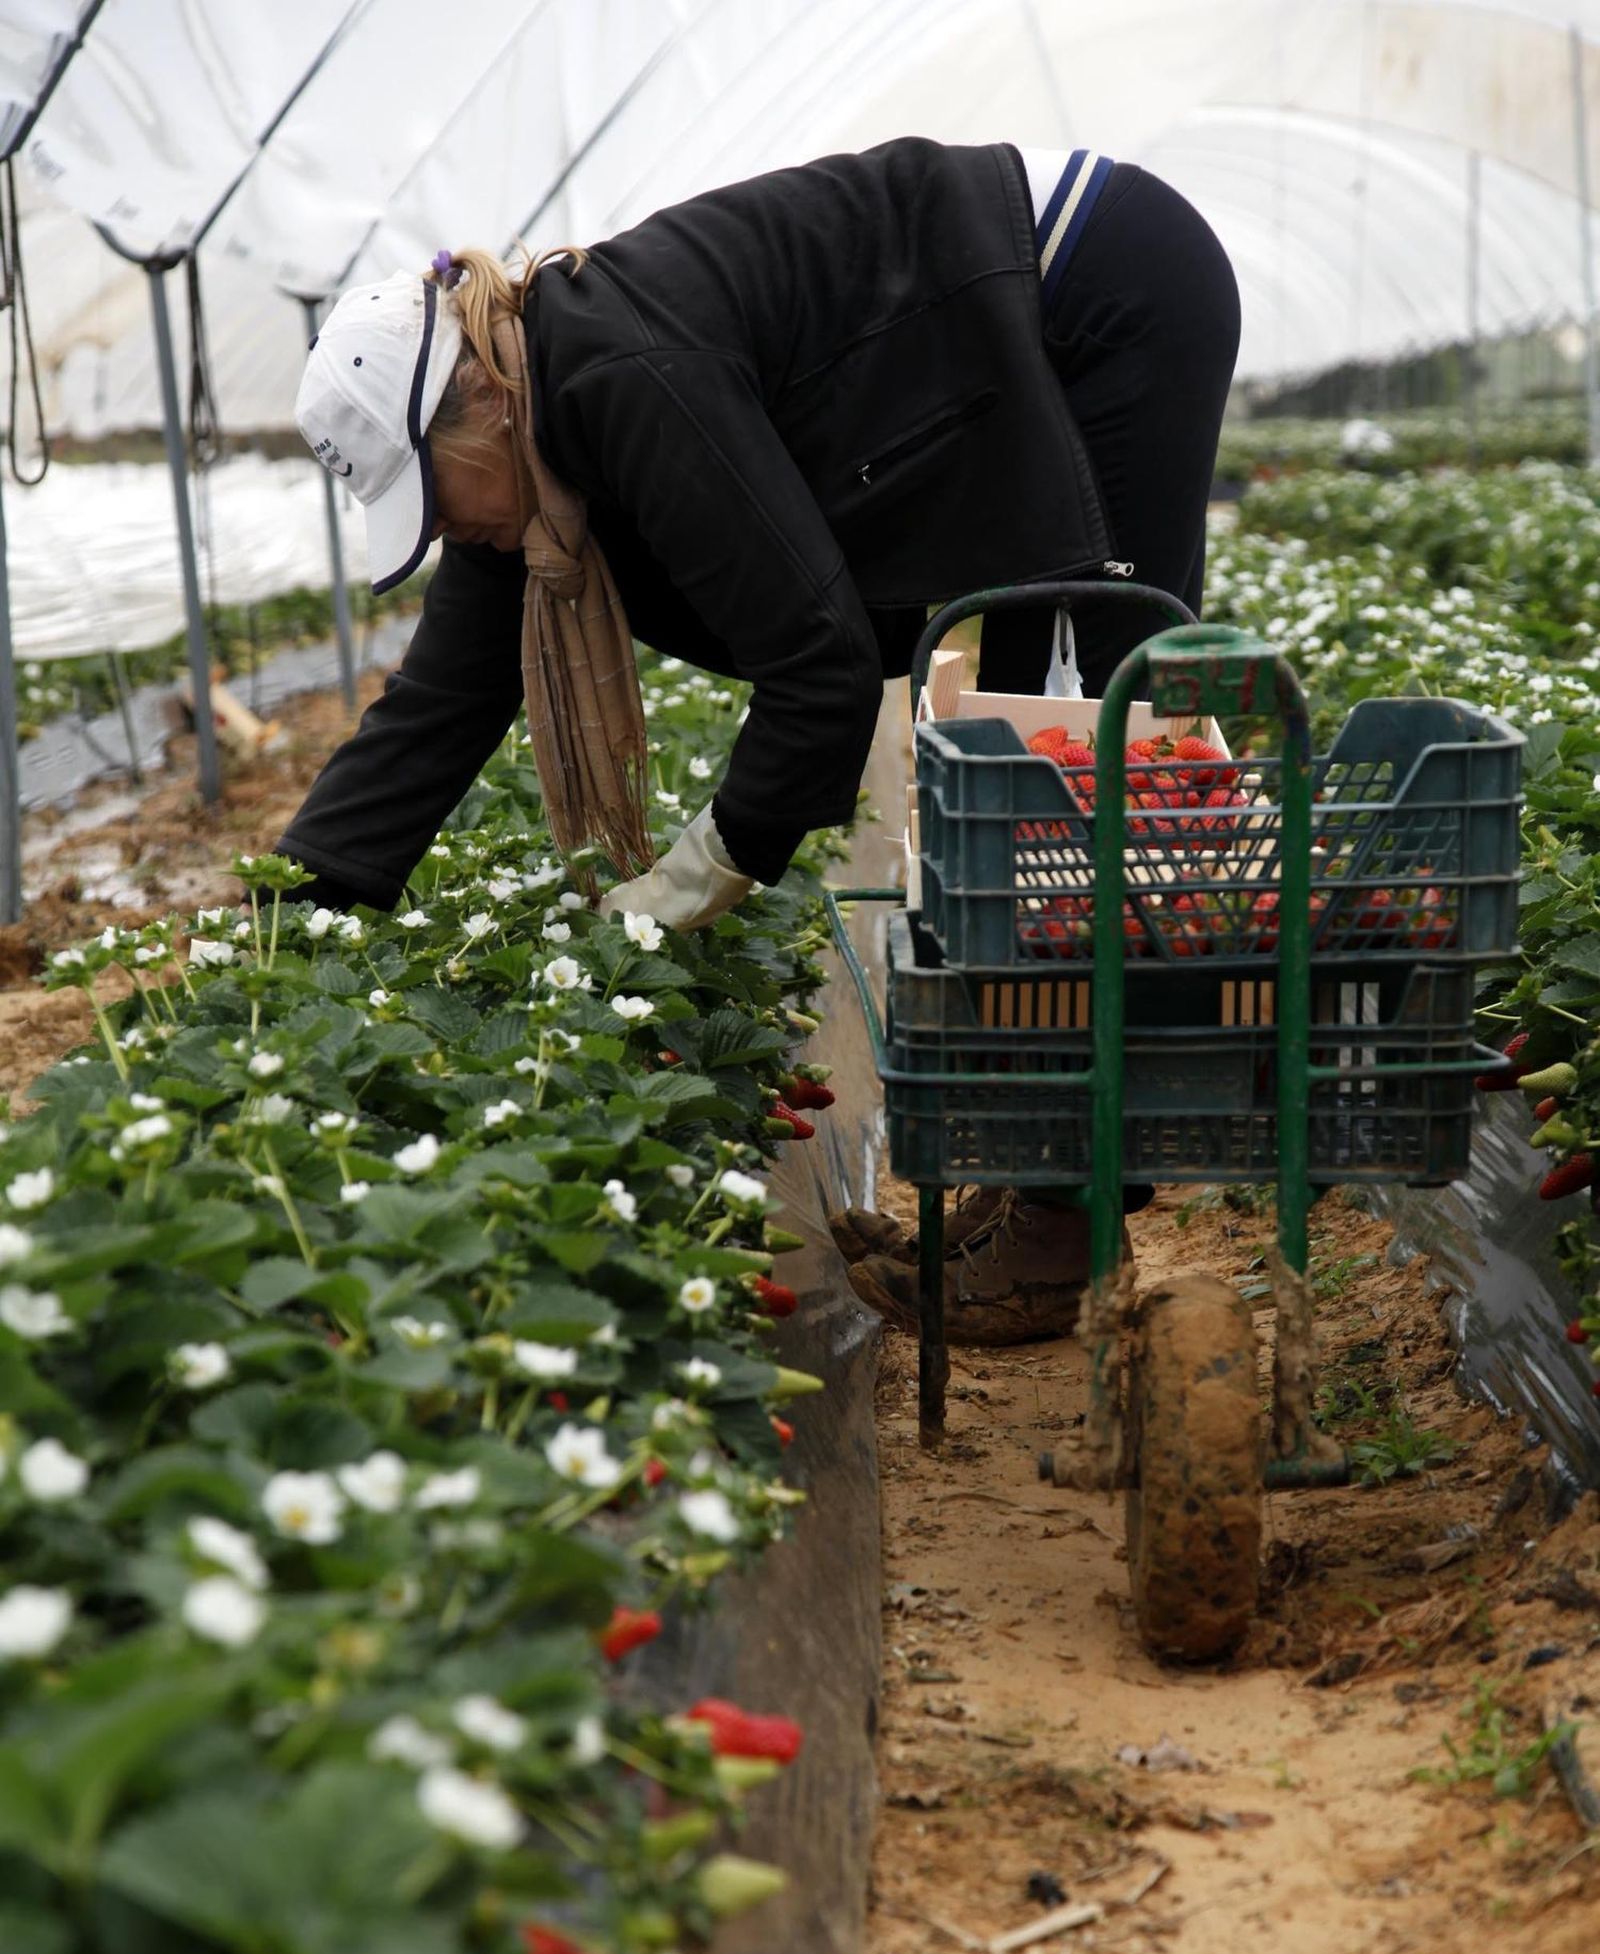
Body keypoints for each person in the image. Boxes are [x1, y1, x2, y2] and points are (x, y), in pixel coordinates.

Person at [273, 137, 1239, 1342]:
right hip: (1004, 326)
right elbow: (438, 705)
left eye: (431, 497)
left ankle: (1054, 1232)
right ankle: (1031, 1190)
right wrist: (289, 918)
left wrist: (703, 871)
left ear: (473, 405)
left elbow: (819, 666)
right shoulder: (530, 434)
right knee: (1020, 776)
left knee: (1068, 744)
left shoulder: (621, 377)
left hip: (1094, 288)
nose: (450, 535)